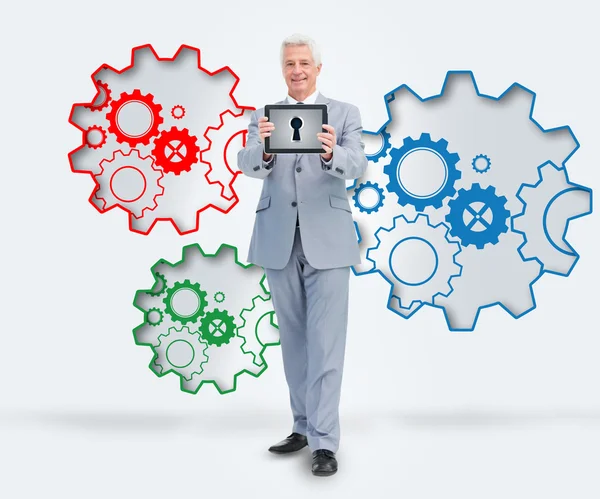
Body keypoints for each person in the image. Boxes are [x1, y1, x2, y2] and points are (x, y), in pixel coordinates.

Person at [237, 33, 368, 477]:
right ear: (283, 70)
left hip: (328, 241)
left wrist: (332, 152)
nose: (297, 70)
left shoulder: (345, 113)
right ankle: (303, 426)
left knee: (326, 343)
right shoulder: (264, 116)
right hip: (278, 239)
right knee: (294, 343)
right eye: (290, 63)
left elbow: (358, 165)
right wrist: (267, 147)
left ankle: (325, 442)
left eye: (304, 63)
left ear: (317, 68)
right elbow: (246, 163)